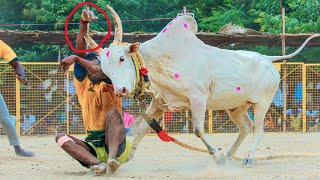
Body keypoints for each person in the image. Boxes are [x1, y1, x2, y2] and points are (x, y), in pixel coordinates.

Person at [56, 10, 174, 176]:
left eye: (100, 64)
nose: (96, 66)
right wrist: (83, 23)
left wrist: (77, 59)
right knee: (61, 138)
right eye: (93, 62)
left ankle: (112, 160)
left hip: (116, 144)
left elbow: (88, 62)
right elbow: (80, 51)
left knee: (112, 114)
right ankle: (98, 164)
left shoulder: (113, 81)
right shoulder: (82, 83)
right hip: (93, 145)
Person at [0, 40, 35, 157]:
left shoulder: (1, 46)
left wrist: (22, 76)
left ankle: (18, 148)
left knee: (6, 119)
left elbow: (16, 65)